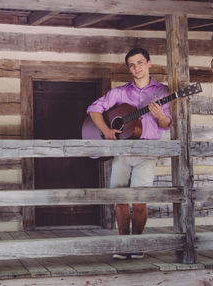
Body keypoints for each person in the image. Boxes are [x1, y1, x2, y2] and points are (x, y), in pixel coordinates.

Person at [86, 47, 172, 260]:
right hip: (122, 153)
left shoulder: (163, 92)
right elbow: (93, 109)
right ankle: (123, 243)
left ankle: (137, 242)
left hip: (147, 152)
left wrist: (160, 115)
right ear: (128, 68)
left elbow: (166, 124)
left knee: (140, 200)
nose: (137, 68)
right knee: (120, 199)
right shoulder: (120, 92)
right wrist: (106, 130)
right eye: (132, 65)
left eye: (140, 63)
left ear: (149, 63)